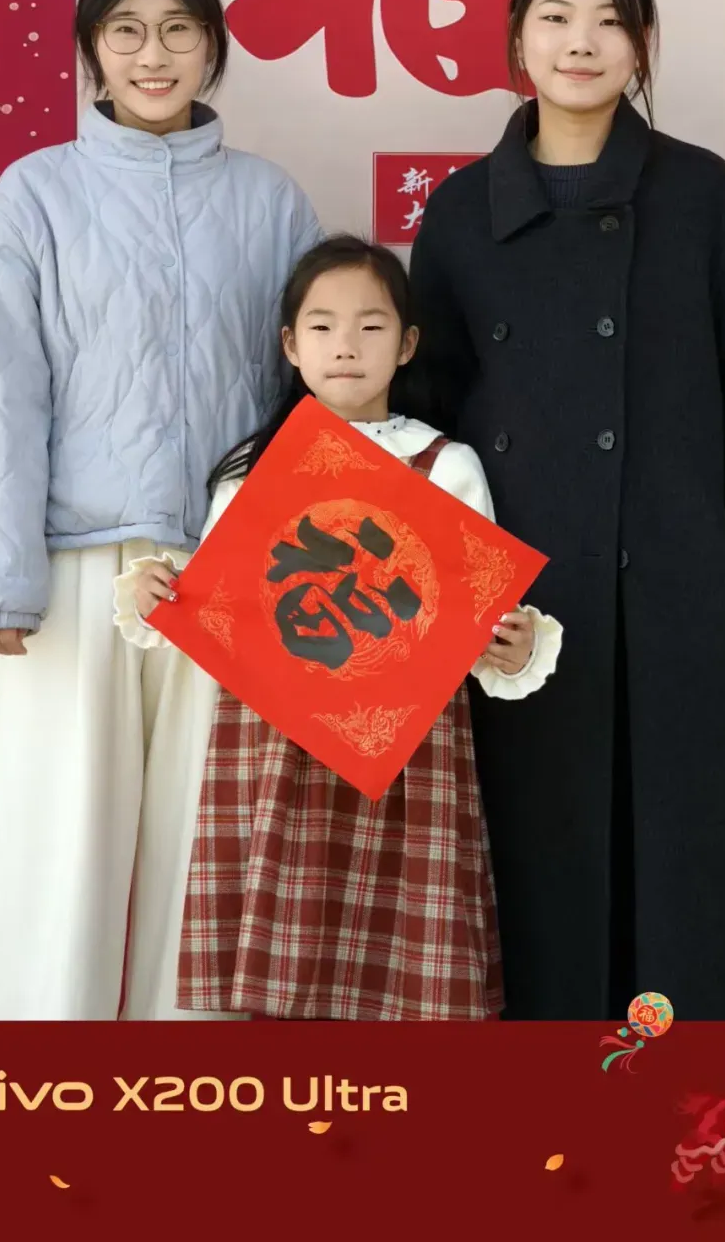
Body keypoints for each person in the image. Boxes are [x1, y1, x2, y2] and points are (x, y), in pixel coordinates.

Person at [408, 0, 725, 1022]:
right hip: (520, 619)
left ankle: (705, 1117)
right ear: (517, 37)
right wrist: (455, 598)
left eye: (609, 20)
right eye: (556, 17)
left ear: (642, 42)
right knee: (536, 888)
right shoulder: (458, 216)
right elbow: (424, 419)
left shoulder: (705, 198)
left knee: (695, 892)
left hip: (678, 604)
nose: (581, 42)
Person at [0, 0, 323, 1020]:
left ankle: (188, 1099)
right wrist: (3, 582)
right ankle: (38, 1090)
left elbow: (306, 403)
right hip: (74, 574)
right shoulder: (36, 196)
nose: (152, 55)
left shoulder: (271, 202)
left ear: (213, 47)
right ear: (90, 50)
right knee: (55, 862)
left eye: (177, 30)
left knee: (205, 874)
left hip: (229, 574)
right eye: (125, 31)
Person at [112, 235, 562, 1020]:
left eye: (370, 326)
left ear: (408, 343)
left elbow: (483, 622)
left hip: (409, 753)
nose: (346, 346)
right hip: (275, 748)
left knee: (405, 976)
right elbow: (215, 613)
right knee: (286, 976)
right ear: (290, 345)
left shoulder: (446, 464)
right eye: (321, 326)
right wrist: (157, 595)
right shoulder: (250, 472)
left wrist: (514, 648)